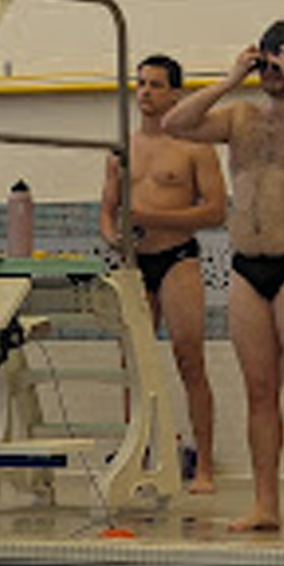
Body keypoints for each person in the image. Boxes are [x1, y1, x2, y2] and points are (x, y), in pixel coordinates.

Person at [163, 20, 284, 534]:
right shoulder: (242, 116)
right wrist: (229, 80)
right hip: (247, 267)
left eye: (281, 61)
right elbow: (175, 125)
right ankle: (265, 503)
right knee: (258, 389)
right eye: (265, 62)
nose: (270, 72)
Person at [101, 53, 227, 494]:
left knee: (188, 358)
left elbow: (215, 211)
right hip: (136, 262)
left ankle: (206, 463)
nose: (146, 93)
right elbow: (108, 207)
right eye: (141, 84)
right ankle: (141, 453)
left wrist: (154, 216)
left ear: (176, 92)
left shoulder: (195, 147)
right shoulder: (121, 148)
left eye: (155, 85)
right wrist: (112, 236)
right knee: (132, 363)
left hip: (178, 259)